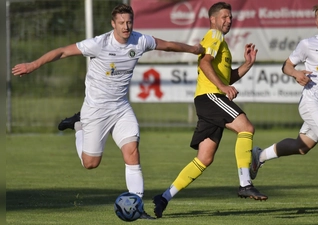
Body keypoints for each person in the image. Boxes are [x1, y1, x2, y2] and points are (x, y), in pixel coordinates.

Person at [11, 3, 204, 219]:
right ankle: (78, 125)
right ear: (113, 24)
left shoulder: (140, 40)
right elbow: (63, 51)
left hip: (121, 107)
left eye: (129, 22)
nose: (126, 26)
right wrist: (33, 65)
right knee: (90, 164)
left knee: (132, 151)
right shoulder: (99, 43)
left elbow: (167, 45)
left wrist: (193, 49)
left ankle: (137, 207)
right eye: (121, 22)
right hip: (95, 110)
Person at [152, 2, 267, 219]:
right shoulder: (215, 35)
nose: (228, 20)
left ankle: (164, 197)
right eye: (224, 17)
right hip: (211, 97)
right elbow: (205, 64)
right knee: (246, 128)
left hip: (207, 100)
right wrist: (223, 88)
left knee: (204, 158)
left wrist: (247, 64)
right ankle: (245, 183)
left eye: (230, 17)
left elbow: (228, 77)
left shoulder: (219, 41)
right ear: (212, 19)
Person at [249, 2, 318, 209]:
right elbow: (287, 66)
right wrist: (296, 74)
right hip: (310, 102)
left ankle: (260, 155)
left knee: (301, 147)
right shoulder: (307, 44)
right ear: (316, 20)